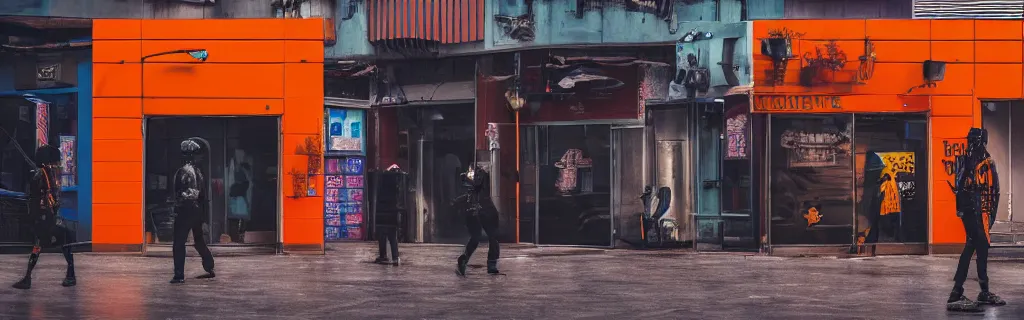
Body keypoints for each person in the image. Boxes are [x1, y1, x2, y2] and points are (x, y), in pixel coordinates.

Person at [946, 128, 1006, 311]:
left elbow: (992, 191)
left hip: (979, 213)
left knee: (981, 247)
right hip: (975, 213)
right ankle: (955, 294)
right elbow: (970, 190)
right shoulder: (974, 162)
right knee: (973, 244)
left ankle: (983, 290)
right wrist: (971, 212)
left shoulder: (976, 161)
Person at [12, 145, 79, 289]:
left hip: (46, 216)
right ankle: (70, 275)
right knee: (61, 241)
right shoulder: (43, 174)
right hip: (45, 217)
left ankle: (29, 278)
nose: (56, 163)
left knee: (43, 244)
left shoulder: (46, 173)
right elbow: (38, 197)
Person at [170, 138, 215, 284]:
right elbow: (201, 194)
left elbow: (190, 193)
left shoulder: (184, 171)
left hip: (186, 210)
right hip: (197, 210)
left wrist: (177, 204)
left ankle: (179, 275)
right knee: (198, 239)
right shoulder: (198, 171)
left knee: (179, 243)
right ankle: (209, 266)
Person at [452, 164, 500, 276]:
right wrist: (455, 201)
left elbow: (477, 184)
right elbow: (469, 194)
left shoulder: (482, 177)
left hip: (486, 210)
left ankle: (491, 264)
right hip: (476, 211)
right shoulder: (472, 189)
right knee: (476, 237)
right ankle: (464, 259)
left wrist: (467, 178)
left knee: (492, 238)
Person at [374, 164, 405, 265]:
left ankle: (383, 256)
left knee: (382, 235)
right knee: (392, 236)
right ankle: (395, 257)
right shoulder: (396, 184)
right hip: (392, 212)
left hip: (382, 212)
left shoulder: (382, 182)